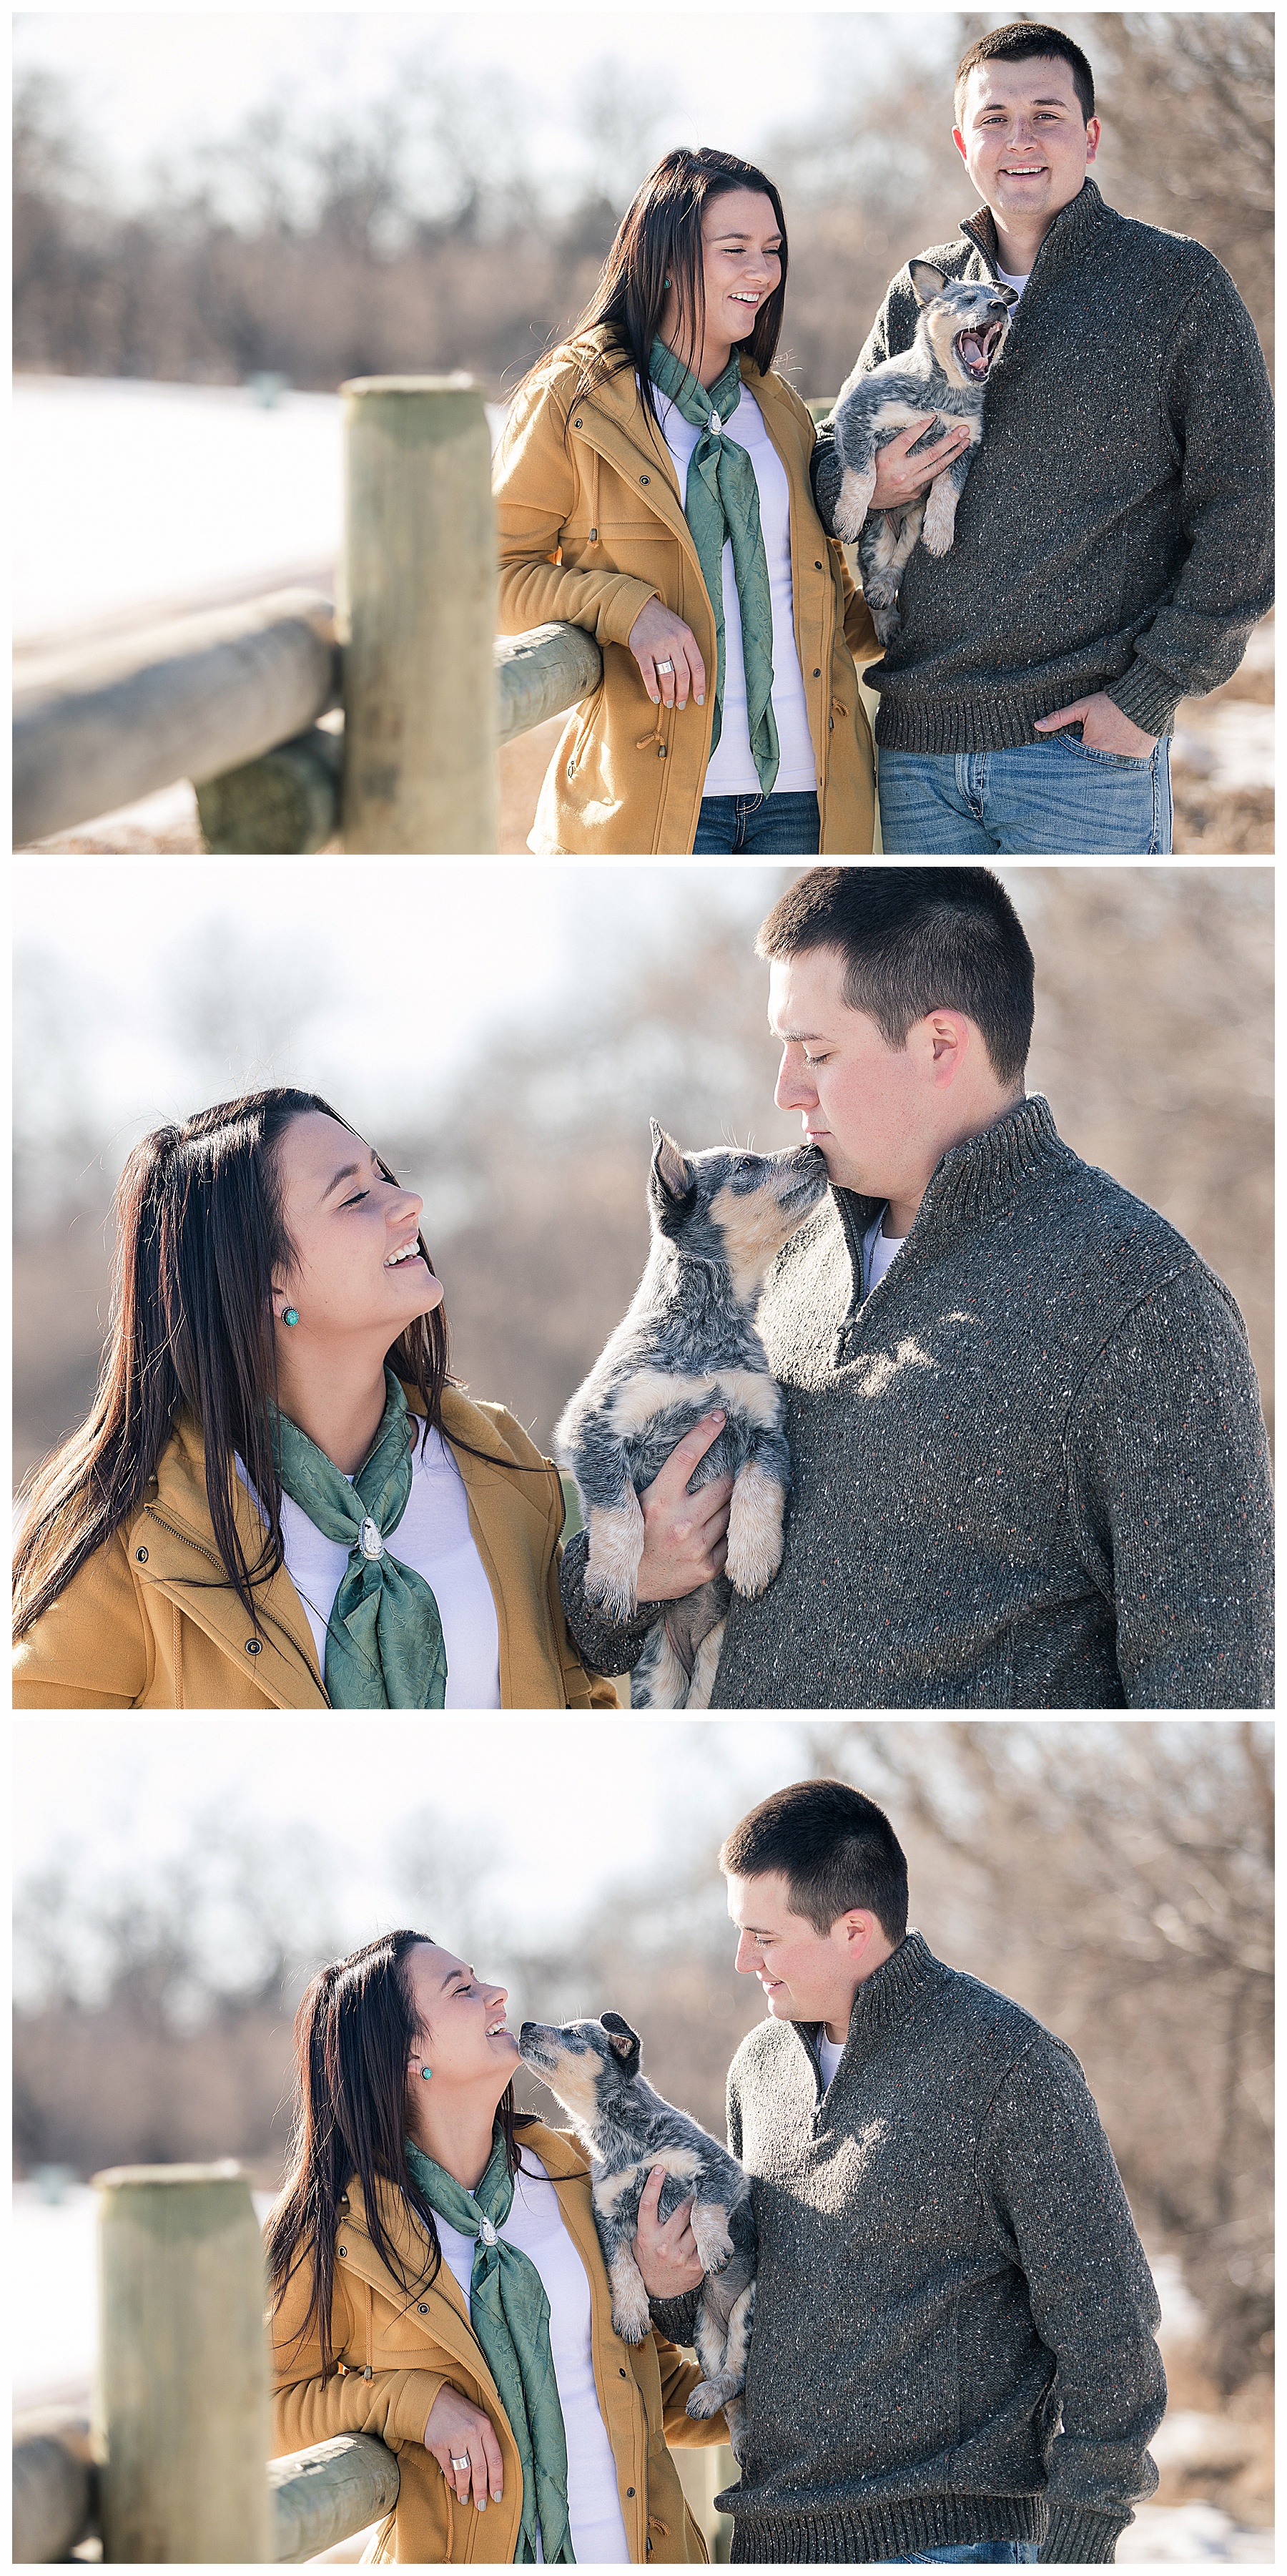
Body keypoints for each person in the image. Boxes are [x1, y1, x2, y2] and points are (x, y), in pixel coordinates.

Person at [558, 868, 1274, 1707]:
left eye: (818, 1052)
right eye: (784, 1049)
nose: (785, 1088)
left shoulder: (1143, 1303)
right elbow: (596, 1618)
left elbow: (1215, 1689)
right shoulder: (777, 1254)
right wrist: (627, 1577)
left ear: (941, 1043)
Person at [633, 1777, 1168, 2564]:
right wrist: (670, 2286)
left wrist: (1081, 2540)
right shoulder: (761, 2065)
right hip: (770, 2539)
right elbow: (751, 2301)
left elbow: (1110, 2331)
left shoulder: (1008, 2065)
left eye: (765, 1936)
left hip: (948, 2544)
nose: (743, 1958)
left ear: (853, 1929)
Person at [809, 21, 1275, 856]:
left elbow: (1245, 505)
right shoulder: (921, 292)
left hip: (1085, 756)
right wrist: (871, 485)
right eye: (994, 119)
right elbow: (827, 454)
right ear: (963, 142)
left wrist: (1150, 693)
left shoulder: (1176, 285)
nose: (1019, 140)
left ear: (1091, 135)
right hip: (917, 755)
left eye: (1046, 114)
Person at [12, 1088, 616, 1710]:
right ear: (264, 1276)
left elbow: (584, 1703)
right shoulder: (126, 1516)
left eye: (384, 1176)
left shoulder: (500, 1462)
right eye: (354, 1195)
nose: (409, 1202)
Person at [267, 1927, 723, 2562]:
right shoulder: (346, 2232)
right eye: (463, 1990)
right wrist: (411, 2405)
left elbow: (652, 2387)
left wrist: (802, 2389)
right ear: (406, 2052)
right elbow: (259, 2408)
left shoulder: (577, 2176)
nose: (498, 1994)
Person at [493, 145, 879, 857]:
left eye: (773, 249)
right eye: (734, 249)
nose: (762, 272)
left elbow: (832, 600)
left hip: (809, 796)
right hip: (648, 800)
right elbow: (492, 576)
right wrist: (626, 610)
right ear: (666, 259)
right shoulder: (577, 399)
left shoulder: (778, 408)